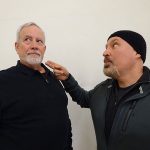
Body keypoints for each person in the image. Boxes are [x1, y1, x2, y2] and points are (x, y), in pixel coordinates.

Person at [46, 30, 150, 150]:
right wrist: (67, 79)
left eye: (114, 45)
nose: (105, 52)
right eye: (106, 47)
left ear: (137, 53)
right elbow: (85, 98)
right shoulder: (104, 89)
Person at [0, 22, 72, 150]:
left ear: (44, 48)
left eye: (39, 41)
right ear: (17, 47)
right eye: (27, 40)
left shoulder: (55, 78)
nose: (34, 46)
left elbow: (64, 121)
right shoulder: (3, 80)